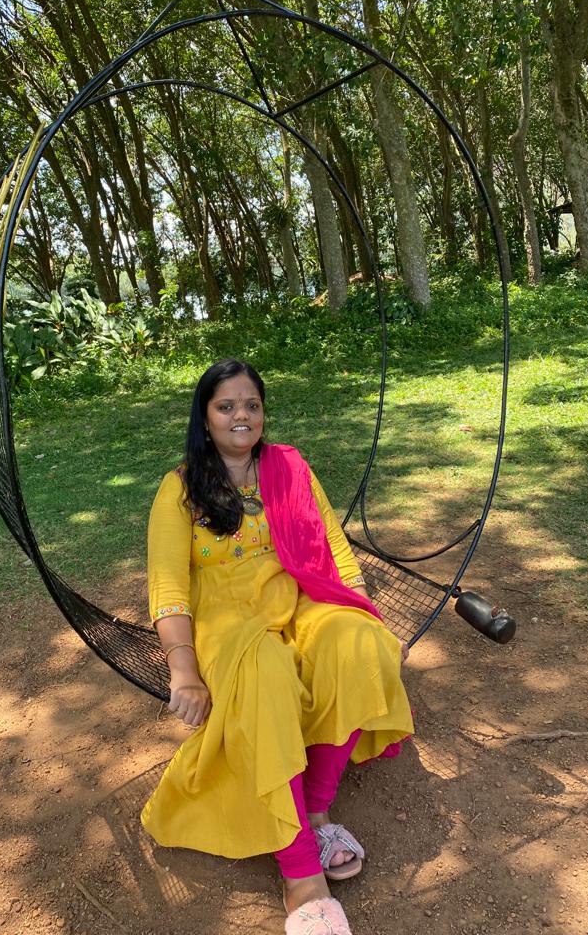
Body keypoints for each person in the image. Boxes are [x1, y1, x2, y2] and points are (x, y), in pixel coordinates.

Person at [141, 359, 413, 935]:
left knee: (360, 644)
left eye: (252, 405)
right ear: (205, 417)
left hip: (300, 594)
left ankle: (315, 812)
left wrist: (366, 612)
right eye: (226, 406)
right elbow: (167, 586)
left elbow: (334, 550)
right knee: (266, 675)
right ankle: (301, 874)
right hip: (226, 618)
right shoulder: (180, 489)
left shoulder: (289, 469)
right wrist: (183, 669)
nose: (241, 415)